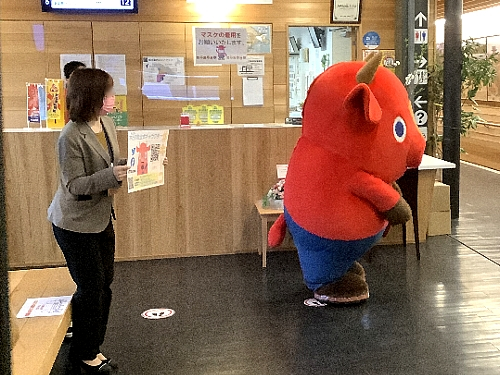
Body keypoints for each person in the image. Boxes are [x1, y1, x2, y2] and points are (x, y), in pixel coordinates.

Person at [48, 68, 128, 374]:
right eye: (108, 93)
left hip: (101, 217)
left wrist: (140, 164)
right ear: (92, 97)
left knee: (103, 284)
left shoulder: (107, 123)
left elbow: (113, 163)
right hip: (73, 223)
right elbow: (75, 185)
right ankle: (85, 352)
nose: (112, 98)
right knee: (92, 287)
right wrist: (112, 175)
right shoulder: (70, 136)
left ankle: (88, 339)